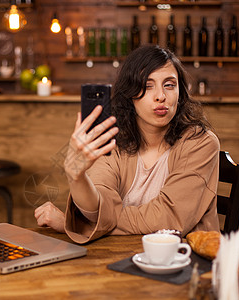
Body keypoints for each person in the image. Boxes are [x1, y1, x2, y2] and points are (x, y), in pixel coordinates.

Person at [35, 45, 220, 244]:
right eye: (147, 86)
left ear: (180, 93)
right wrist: (76, 176)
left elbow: (169, 219)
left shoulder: (201, 143)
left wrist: (79, 225)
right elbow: (98, 204)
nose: (161, 96)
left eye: (169, 85)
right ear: (130, 94)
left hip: (187, 263)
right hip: (128, 259)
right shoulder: (116, 142)